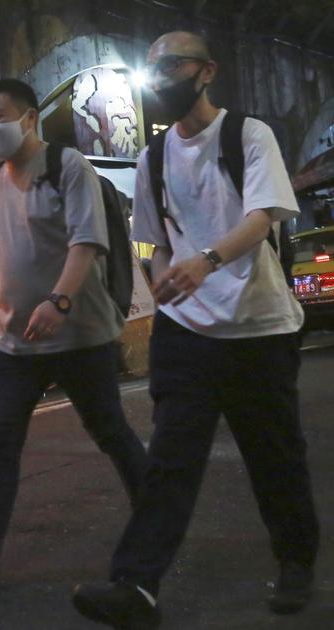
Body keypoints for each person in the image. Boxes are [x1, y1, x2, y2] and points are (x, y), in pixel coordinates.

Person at [72, 32, 319, 627]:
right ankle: (136, 587)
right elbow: (154, 240)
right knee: (171, 461)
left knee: (273, 456)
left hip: (259, 328)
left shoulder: (247, 135)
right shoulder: (151, 158)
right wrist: (163, 278)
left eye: (172, 65)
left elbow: (262, 219)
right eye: (153, 68)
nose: (161, 76)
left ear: (206, 71)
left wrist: (204, 261)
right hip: (187, 333)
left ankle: (296, 562)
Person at [0, 78, 147, 589]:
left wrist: (60, 300)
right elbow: (5, 259)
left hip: (80, 336)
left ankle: (158, 515)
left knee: (111, 432)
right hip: (14, 343)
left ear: (29, 117)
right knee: (1, 443)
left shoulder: (67, 167)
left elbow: (87, 242)